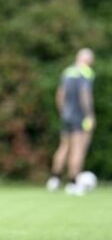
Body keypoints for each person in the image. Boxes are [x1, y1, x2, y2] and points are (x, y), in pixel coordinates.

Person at [46, 48, 96, 195]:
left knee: (64, 147)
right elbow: (85, 94)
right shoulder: (86, 72)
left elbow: (60, 94)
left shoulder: (68, 71)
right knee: (78, 148)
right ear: (88, 60)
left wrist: (63, 112)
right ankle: (73, 182)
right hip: (80, 116)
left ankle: (54, 179)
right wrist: (89, 115)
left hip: (67, 116)